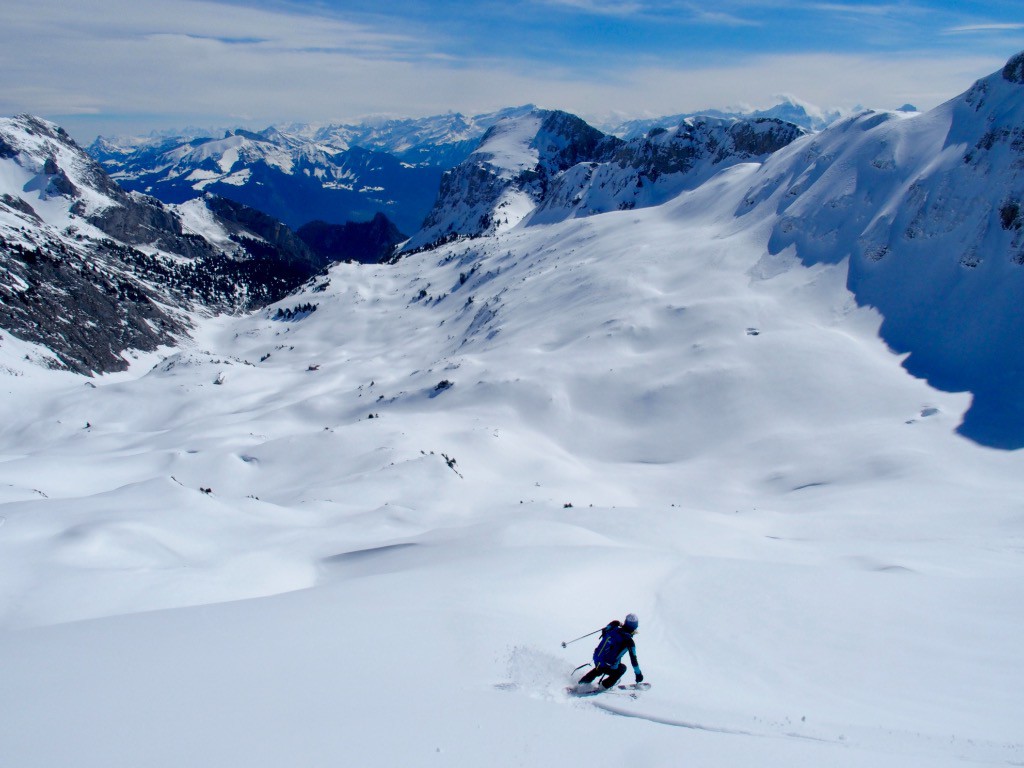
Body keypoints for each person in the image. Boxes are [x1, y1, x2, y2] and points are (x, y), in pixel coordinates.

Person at [577, 613, 643, 689]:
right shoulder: (629, 642)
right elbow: (634, 661)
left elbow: (607, 628)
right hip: (609, 666)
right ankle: (605, 685)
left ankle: (581, 683)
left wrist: (617, 622)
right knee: (622, 668)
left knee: (598, 669)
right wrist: (639, 675)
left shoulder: (612, 628)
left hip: (597, 660)